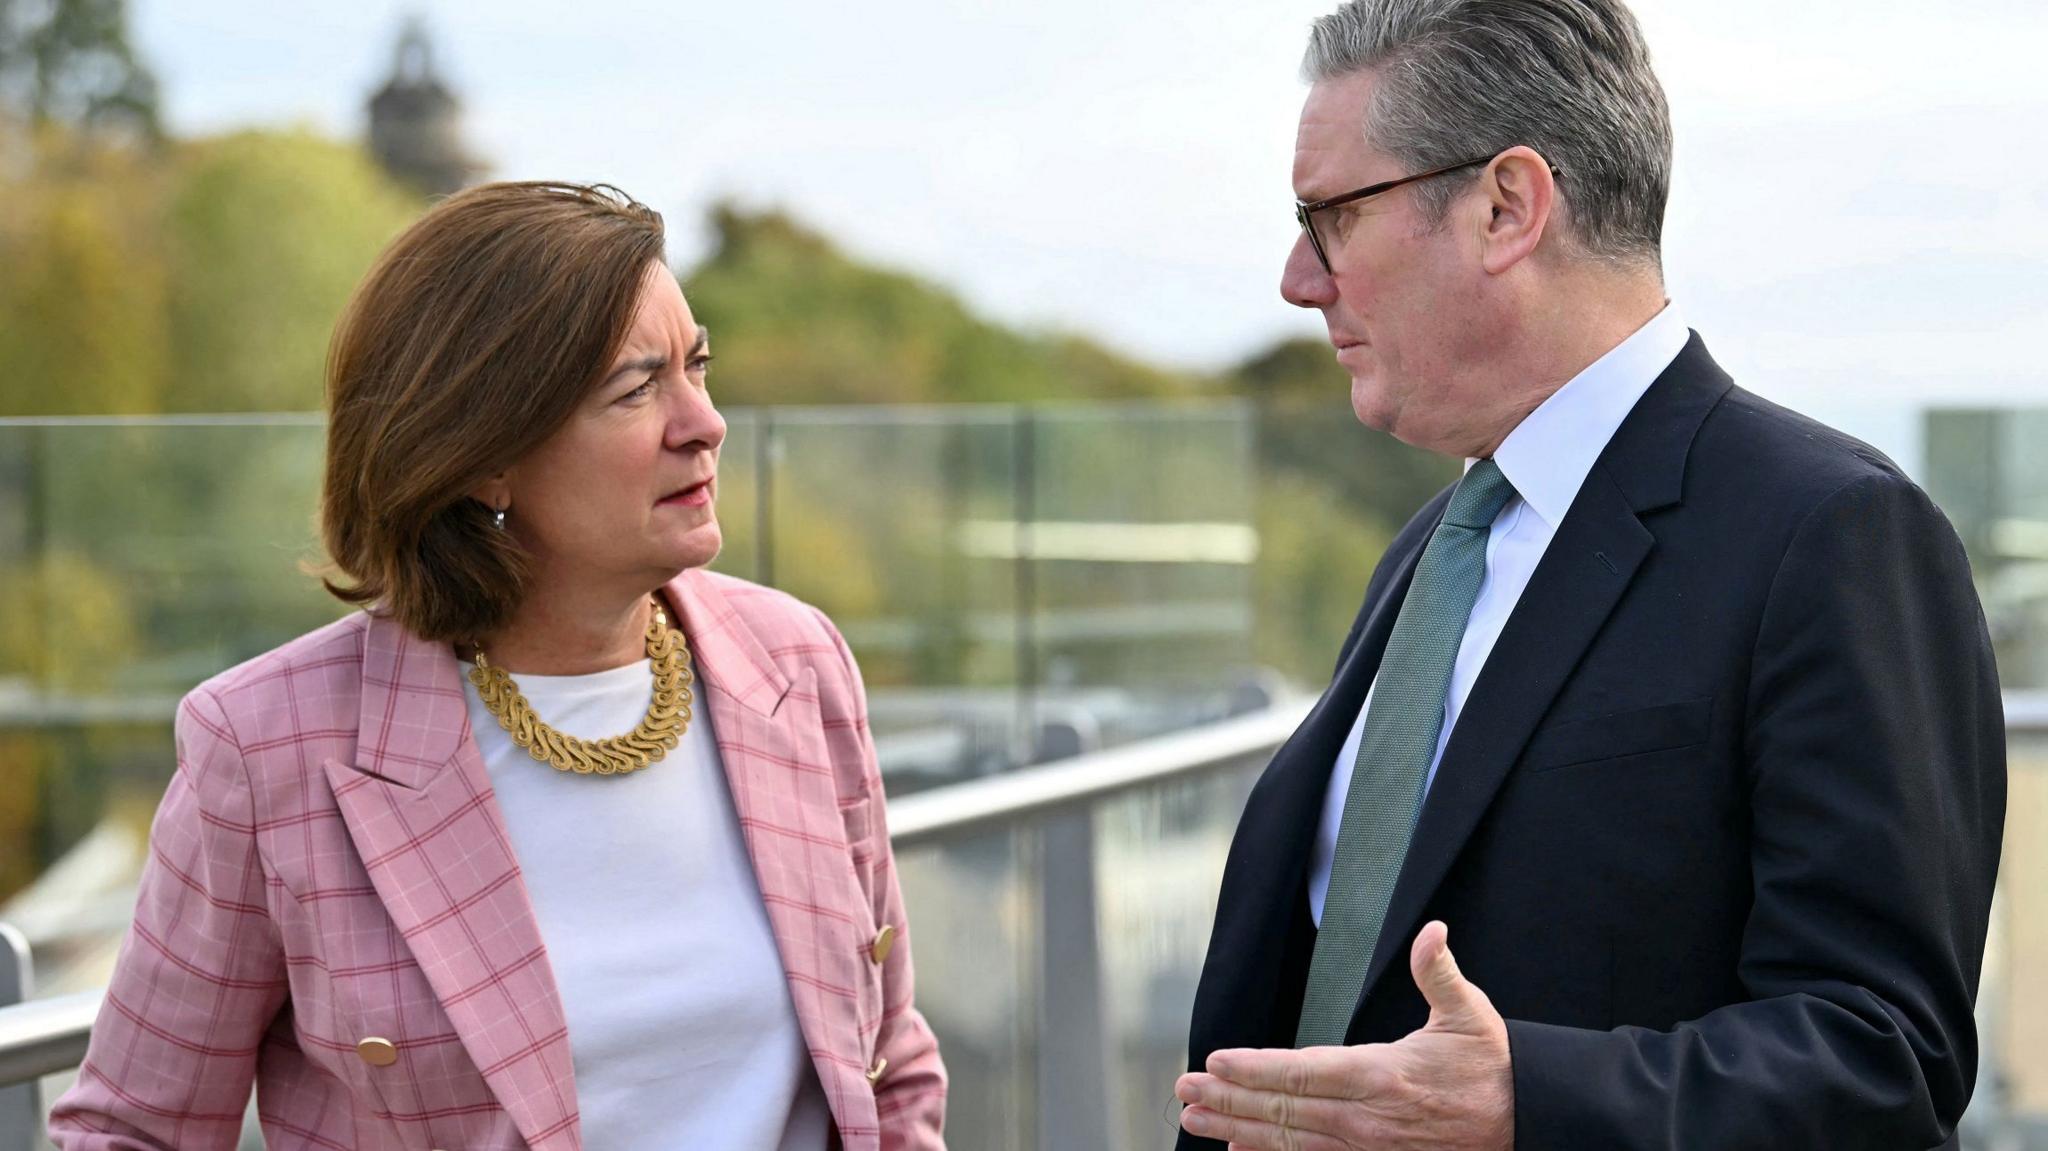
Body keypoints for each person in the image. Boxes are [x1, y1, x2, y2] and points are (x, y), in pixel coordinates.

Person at [1173, 2, 2005, 1148]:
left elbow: (1882, 1054)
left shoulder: (1831, 532)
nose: (1295, 279)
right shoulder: (1431, 551)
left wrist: (1529, 1097)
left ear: (1504, 207)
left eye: (1329, 217)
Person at [49, 182, 946, 1150]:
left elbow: (888, 1065)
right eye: (637, 388)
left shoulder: (795, 663)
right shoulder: (270, 746)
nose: (704, 422)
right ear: (485, 455)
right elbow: (134, 1128)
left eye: (698, 366)